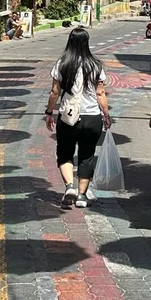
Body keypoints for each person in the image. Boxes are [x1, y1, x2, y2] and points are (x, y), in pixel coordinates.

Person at [45, 26, 111, 210]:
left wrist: (49, 113)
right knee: (87, 155)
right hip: (92, 117)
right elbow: (101, 94)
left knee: (65, 153)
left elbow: (54, 92)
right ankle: (82, 196)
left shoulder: (62, 64)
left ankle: (69, 187)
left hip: (68, 117)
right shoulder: (96, 65)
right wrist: (106, 114)